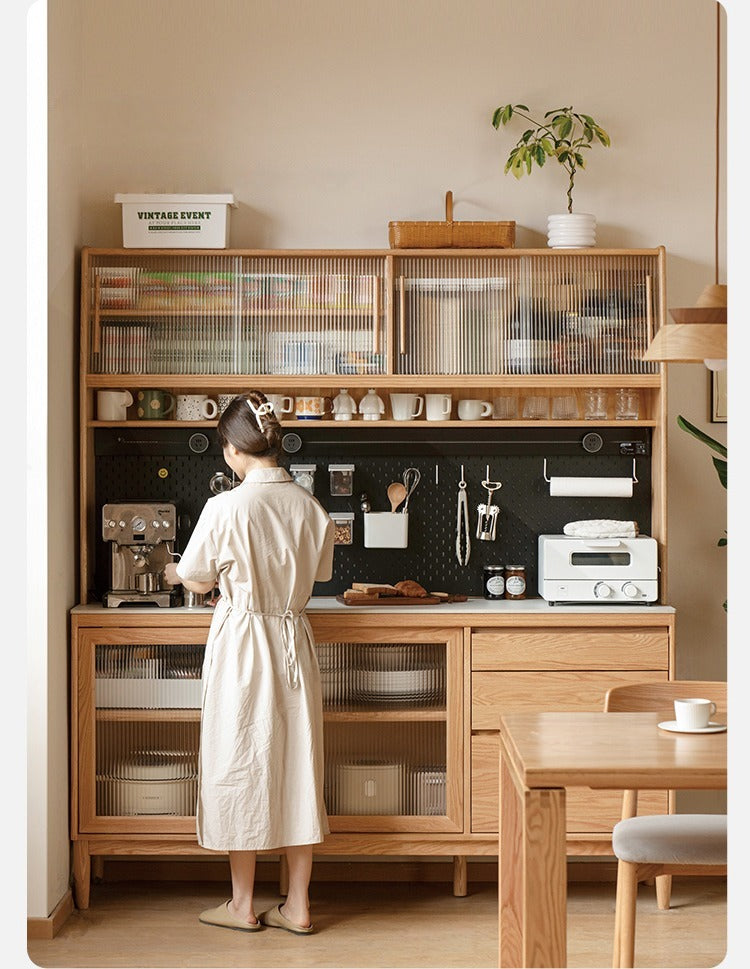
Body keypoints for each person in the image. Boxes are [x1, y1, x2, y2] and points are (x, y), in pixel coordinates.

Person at [164, 390, 335, 935]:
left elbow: (195, 577)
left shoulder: (224, 507)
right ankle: (298, 905)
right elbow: (323, 574)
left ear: (235, 450)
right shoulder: (309, 505)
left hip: (243, 645)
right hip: (292, 640)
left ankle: (241, 905)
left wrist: (174, 575)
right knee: (297, 767)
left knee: (240, 762)